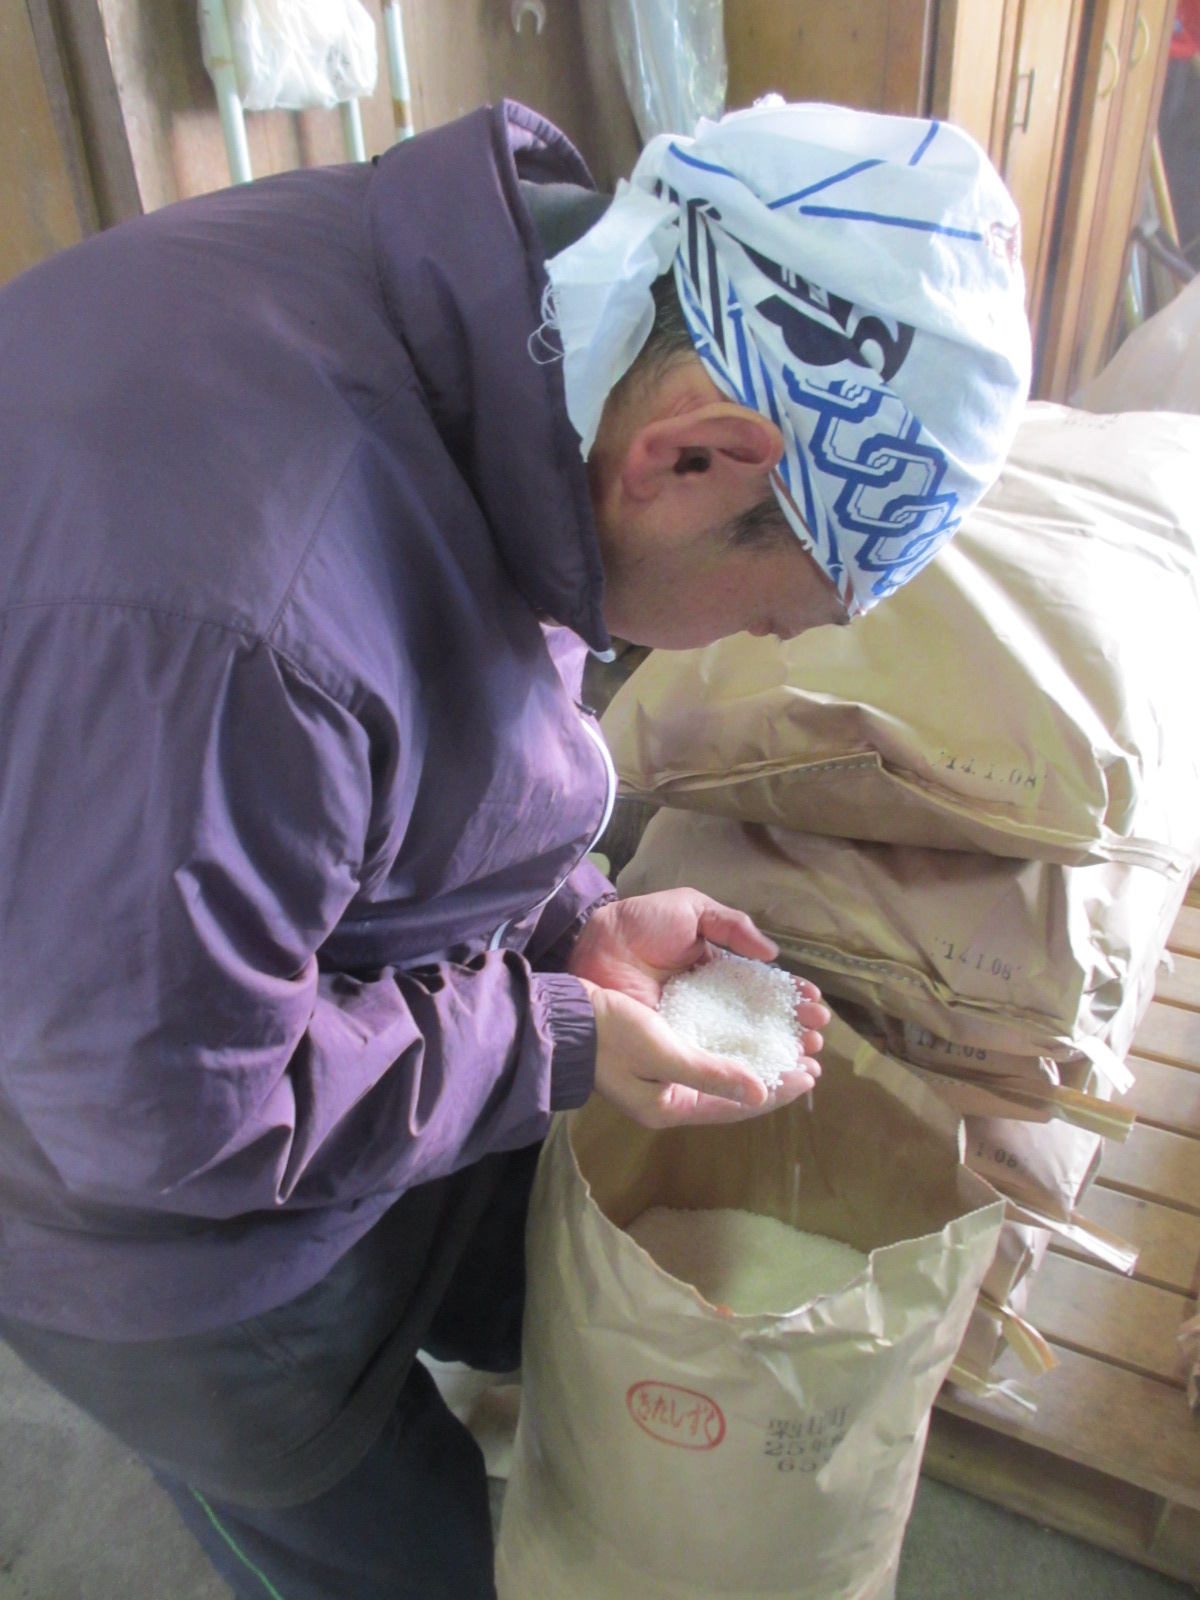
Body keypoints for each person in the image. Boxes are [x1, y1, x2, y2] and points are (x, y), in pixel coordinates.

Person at [0, 96, 1029, 1599]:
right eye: (765, 612)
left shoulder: (518, 334)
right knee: (384, 1551)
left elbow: (431, 700)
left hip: (224, 963)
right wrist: (547, 1037)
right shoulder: (224, 627)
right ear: (693, 460)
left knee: (574, 1301)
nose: (744, 644)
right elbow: (165, 1119)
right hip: (154, 1240)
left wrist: (567, 919)